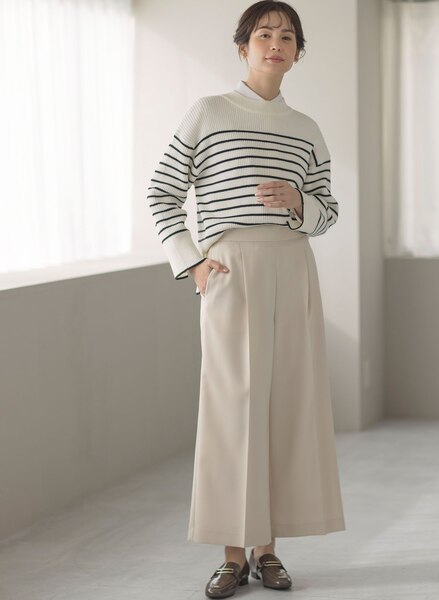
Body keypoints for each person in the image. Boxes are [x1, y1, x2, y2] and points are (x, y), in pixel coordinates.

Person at [146, 1, 346, 597]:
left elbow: (329, 212)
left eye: (287, 36)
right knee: (235, 409)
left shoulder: (306, 129)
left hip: (293, 267)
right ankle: (232, 555)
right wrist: (192, 261)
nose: (275, 44)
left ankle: (268, 550)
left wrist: (298, 203)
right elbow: (162, 191)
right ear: (243, 47)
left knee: (285, 405)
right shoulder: (209, 112)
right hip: (231, 270)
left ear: (298, 53)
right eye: (263, 34)